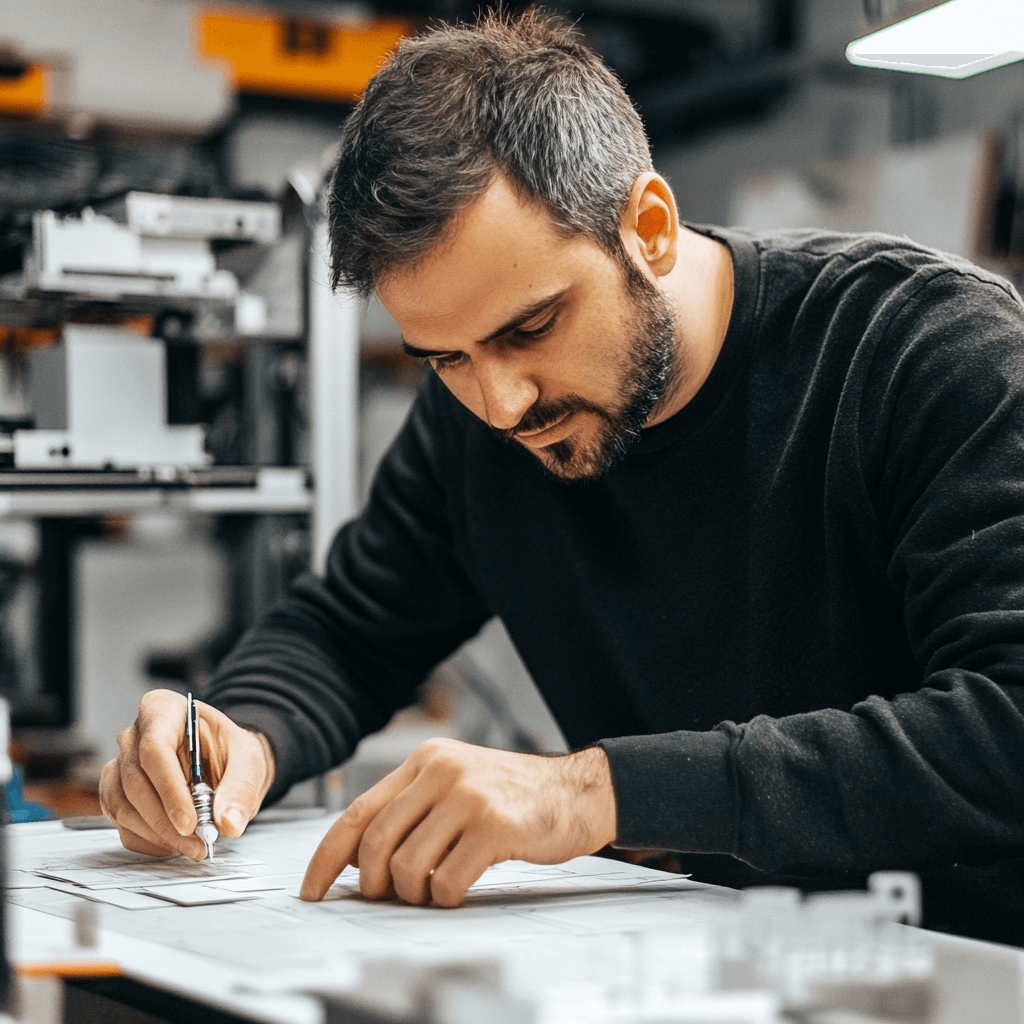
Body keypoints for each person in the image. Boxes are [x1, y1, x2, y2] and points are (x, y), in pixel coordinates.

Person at [99, 8, 1024, 944]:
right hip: (702, 954)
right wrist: (238, 735)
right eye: (444, 358)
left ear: (649, 228)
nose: (500, 405)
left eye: (529, 327)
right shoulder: (479, 422)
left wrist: (593, 791)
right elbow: (353, 628)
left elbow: (1010, 722)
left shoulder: (930, 355)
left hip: (962, 965)